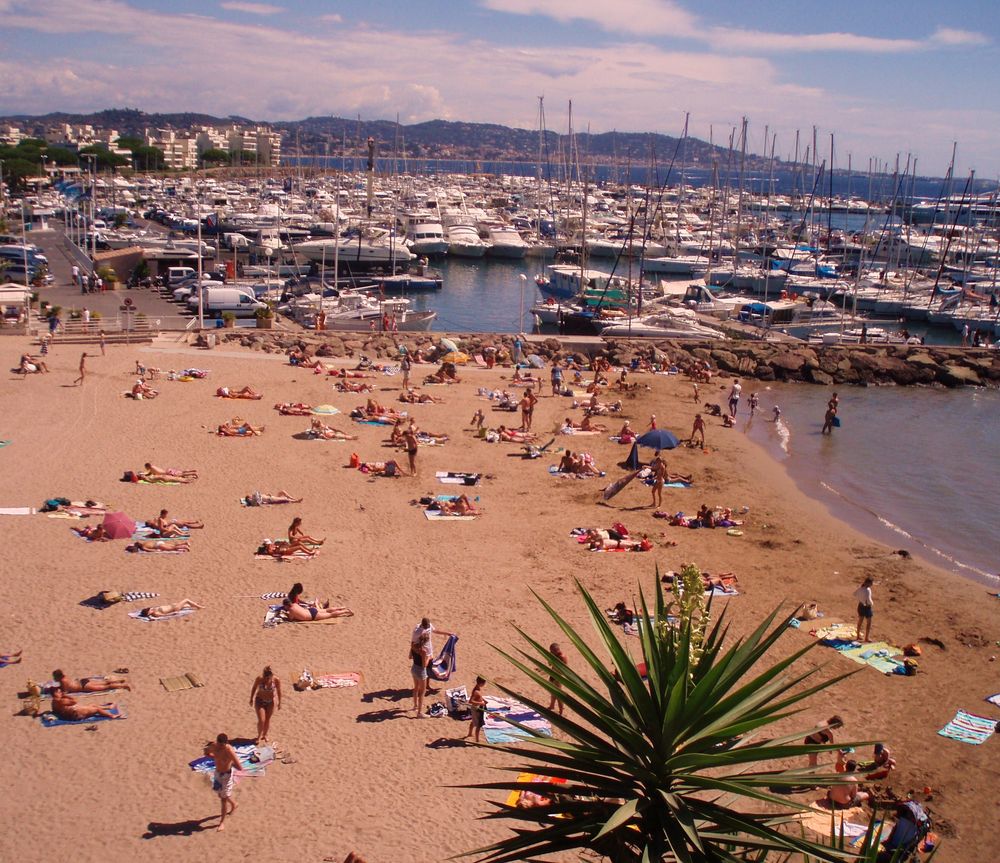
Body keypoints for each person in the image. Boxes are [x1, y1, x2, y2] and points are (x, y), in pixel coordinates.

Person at [204, 733, 241, 831]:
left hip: (226, 776)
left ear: (226, 743)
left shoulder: (230, 751)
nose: (220, 747)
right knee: (221, 795)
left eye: (222, 745)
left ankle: (222, 823)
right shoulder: (214, 746)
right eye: (219, 745)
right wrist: (215, 757)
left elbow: (240, 767)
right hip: (217, 773)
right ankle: (234, 804)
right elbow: (206, 751)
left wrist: (228, 762)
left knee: (223, 800)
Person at [250, 666, 281, 744]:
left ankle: (265, 734)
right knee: (261, 720)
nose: (266, 679)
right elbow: (254, 688)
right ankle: (259, 736)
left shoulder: (276, 680)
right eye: (265, 677)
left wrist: (279, 702)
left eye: (268, 678)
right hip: (259, 701)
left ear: (271, 676)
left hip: (271, 702)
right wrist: (251, 698)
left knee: (267, 719)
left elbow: (279, 691)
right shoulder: (259, 679)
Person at [51, 688, 123, 722]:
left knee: (92, 705)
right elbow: (75, 701)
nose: (61, 693)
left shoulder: (53, 702)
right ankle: (111, 716)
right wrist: (66, 695)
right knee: (96, 709)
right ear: (55, 693)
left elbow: (55, 711)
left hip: (70, 714)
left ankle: (107, 707)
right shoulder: (61, 701)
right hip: (75, 715)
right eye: (59, 692)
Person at [53, 670, 131, 693]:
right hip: (83, 681)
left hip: (84, 687)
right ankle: (120, 680)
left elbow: (65, 691)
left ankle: (124, 686)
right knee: (104, 682)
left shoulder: (63, 681)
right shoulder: (65, 677)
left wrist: (57, 690)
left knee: (106, 687)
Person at [410, 630, 431, 718]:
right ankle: (419, 713)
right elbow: (424, 665)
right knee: (422, 691)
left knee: (415, 688)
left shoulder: (413, 645)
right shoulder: (423, 651)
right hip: (421, 671)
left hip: (414, 668)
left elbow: (410, 657)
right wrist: (428, 658)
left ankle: (415, 706)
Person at [281, 598, 352, 621]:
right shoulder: (295, 604)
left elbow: (290, 619)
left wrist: (285, 613)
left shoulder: (291, 610)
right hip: (311, 610)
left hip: (312, 615)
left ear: (286, 605)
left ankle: (345, 611)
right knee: (327, 610)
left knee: (330, 614)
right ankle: (342, 607)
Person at [547, 643, 568, 716]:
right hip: (553, 674)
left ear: (557, 650)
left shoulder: (562, 657)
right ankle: (552, 706)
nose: (551, 652)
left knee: (559, 695)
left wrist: (553, 659)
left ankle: (561, 711)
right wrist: (550, 657)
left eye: (552, 651)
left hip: (558, 677)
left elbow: (563, 669)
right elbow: (550, 664)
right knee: (552, 692)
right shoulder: (554, 655)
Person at [465, 676, 487, 743]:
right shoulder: (476, 691)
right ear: (481, 683)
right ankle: (477, 741)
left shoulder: (478, 688)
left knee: (473, 721)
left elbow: (479, 697)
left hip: (477, 707)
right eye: (484, 683)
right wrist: (481, 703)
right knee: (478, 725)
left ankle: (470, 733)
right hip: (476, 708)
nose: (484, 685)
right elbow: (471, 701)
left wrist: (483, 700)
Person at [854, 577, 874, 642]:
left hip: (860, 606)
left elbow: (855, 594)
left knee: (860, 621)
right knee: (868, 623)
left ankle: (858, 636)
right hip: (867, 607)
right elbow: (868, 600)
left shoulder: (860, 588)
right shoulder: (868, 590)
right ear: (869, 583)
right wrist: (872, 603)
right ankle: (866, 638)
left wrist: (861, 599)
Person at [127, 539, 193, 553]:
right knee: (173, 545)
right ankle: (185, 543)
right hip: (159, 542)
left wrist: (157, 550)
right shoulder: (144, 542)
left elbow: (150, 550)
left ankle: (185, 547)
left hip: (158, 545)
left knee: (172, 548)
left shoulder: (143, 547)